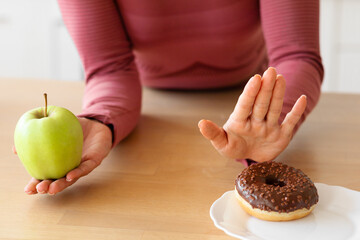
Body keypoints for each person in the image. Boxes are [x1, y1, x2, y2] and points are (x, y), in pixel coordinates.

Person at [17, 0, 323, 195]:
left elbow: (297, 55)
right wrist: (101, 119)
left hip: (243, 97)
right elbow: (111, 68)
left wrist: (271, 118)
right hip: (151, 97)